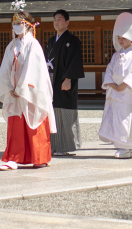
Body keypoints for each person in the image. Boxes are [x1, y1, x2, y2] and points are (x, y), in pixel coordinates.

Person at [0, 8, 55, 170]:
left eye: (20, 23)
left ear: (29, 25)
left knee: (34, 123)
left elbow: (33, 69)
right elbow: (4, 69)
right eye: (14, 23)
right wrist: (9, 87)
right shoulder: (11, 45)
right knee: (16, 124)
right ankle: (14, 158)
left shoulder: (33, 44)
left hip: (30, 91)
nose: (16, 26)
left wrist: (21, 88)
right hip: (14, 91)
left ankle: (39, 157)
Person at [98, 12, 132, 158]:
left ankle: (129, 147)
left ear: (131, 39)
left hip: (128, 92)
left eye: (124, 38)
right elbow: (109, 69)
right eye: (119, 38)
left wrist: (125, 84)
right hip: (116, 90)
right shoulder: (116, 55)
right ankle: (122, 146)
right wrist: (112, 84)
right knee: (117, 119)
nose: (121, 41)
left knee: (128, 119)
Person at [45, 9, 85, 157]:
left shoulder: (72, 40)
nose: (56, 22)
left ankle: (67, 145)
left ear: (67, 22)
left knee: (65, 113)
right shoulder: (50, 41)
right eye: (55, 19)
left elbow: (74, 61)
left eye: (60, 19)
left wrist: (68, 79)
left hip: (65, 81)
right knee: (53, 112)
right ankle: (55, 145)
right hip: (51, 80)